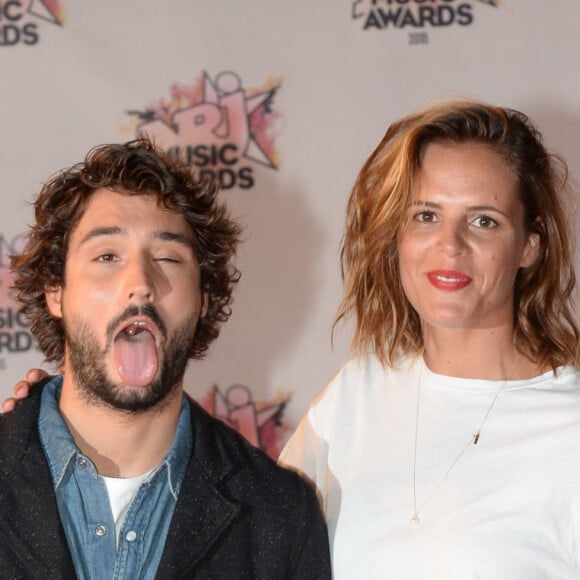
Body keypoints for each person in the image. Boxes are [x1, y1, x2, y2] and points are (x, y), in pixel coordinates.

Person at [0, 138, 331, 578]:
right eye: (106, 256)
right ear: (56, 292)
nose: (140, 282)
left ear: (204, 301)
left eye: (167, 257)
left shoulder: (281, 514)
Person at [279, 100, 580, 578]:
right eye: (426, 216)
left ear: (529, 246)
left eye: (484, 220)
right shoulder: (354, 396)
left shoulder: (569, 426)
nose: (450, 244)